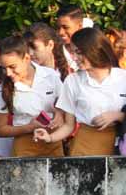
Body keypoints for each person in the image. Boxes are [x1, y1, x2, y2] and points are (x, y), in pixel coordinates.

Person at [33, 27, 126, 156]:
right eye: (73, 53)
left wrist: (118, 116)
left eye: (79, 52)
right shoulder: (73, 81)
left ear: (94, 50)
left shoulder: (122, 78)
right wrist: (50, 137)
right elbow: (68, 125)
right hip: (85, 145)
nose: (75, 58)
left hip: (120, 144)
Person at [0, 35, 63, 157]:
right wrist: (29, 127)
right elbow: (0, 130)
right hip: (24, 145)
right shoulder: (3, 90)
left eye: (12, 67)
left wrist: (59, 114)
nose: (8, 73)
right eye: (4, 68)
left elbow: (64, 105)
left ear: (26, 58)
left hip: (53, 139)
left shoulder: (50, 76)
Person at [56, 5, 84, 72]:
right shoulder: (54, 54)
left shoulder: (92, 51)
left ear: (80, 26)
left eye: (66, 27)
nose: (60, 32)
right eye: (58, 27)